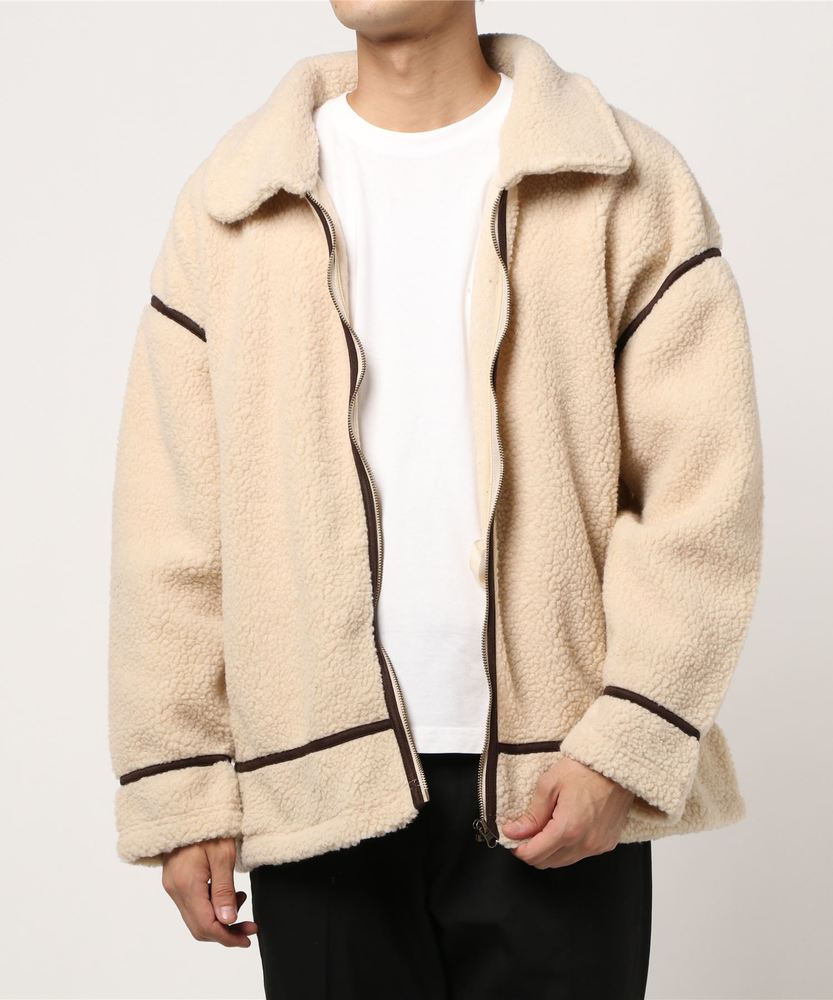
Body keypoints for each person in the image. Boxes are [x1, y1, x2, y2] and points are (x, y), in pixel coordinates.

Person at [107, 2, 764, 998]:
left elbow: (701, 493)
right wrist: (184, 785)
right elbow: (171, 522)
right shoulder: (234, 202)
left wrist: (624, 745)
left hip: (560, 781)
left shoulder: (621, 181)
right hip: (315, 785)